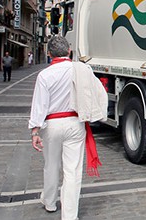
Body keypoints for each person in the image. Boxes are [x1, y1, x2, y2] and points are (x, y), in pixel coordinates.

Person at [29, 36, 107, 219]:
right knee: (72, 170)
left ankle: (49, 202)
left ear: (49, 54)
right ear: (69, 51)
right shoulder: (81, 70)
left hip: (52, 125)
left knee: (51, 164)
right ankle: (69, 215)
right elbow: (99, 92)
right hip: (74, 123)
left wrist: (35, 131)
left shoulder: (44, 75)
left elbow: (39, 105)